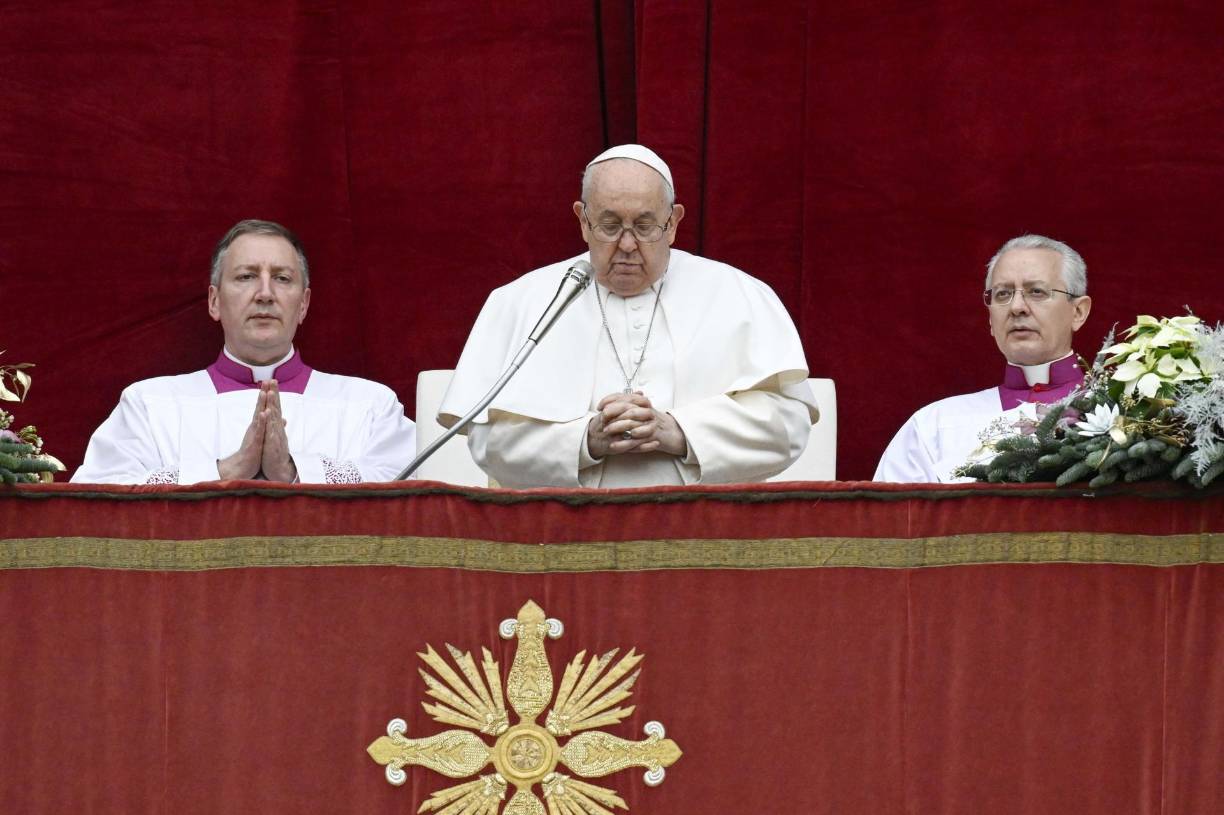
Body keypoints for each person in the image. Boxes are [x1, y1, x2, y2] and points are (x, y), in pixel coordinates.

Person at [438, 144, 818, 488]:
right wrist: (586, 441)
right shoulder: (522, 301)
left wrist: (679, 432)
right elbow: (487, 440)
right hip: (562, 537)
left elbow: (789, 426)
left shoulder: (739, 295)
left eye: (644, 225)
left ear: (673, 223)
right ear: (583, 221)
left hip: (705, 538)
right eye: (609, 225)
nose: (627, 244)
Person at [73, 219, 416, 484]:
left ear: (304, 305)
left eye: (282, 278)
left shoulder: (370, 406)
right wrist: (225, 471)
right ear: (214, 301)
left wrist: (293, 470)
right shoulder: (148, 405)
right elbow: (98, 500)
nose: (265, 293)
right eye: (246, 276)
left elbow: (416, 494)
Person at [874, 234, 1093, 482]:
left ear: (1078, 312)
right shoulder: (933, 426)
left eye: (1037, 292)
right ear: (990, 318)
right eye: (1002, 294)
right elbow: (892, 520)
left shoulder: (1128, 416)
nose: (1017, 307)